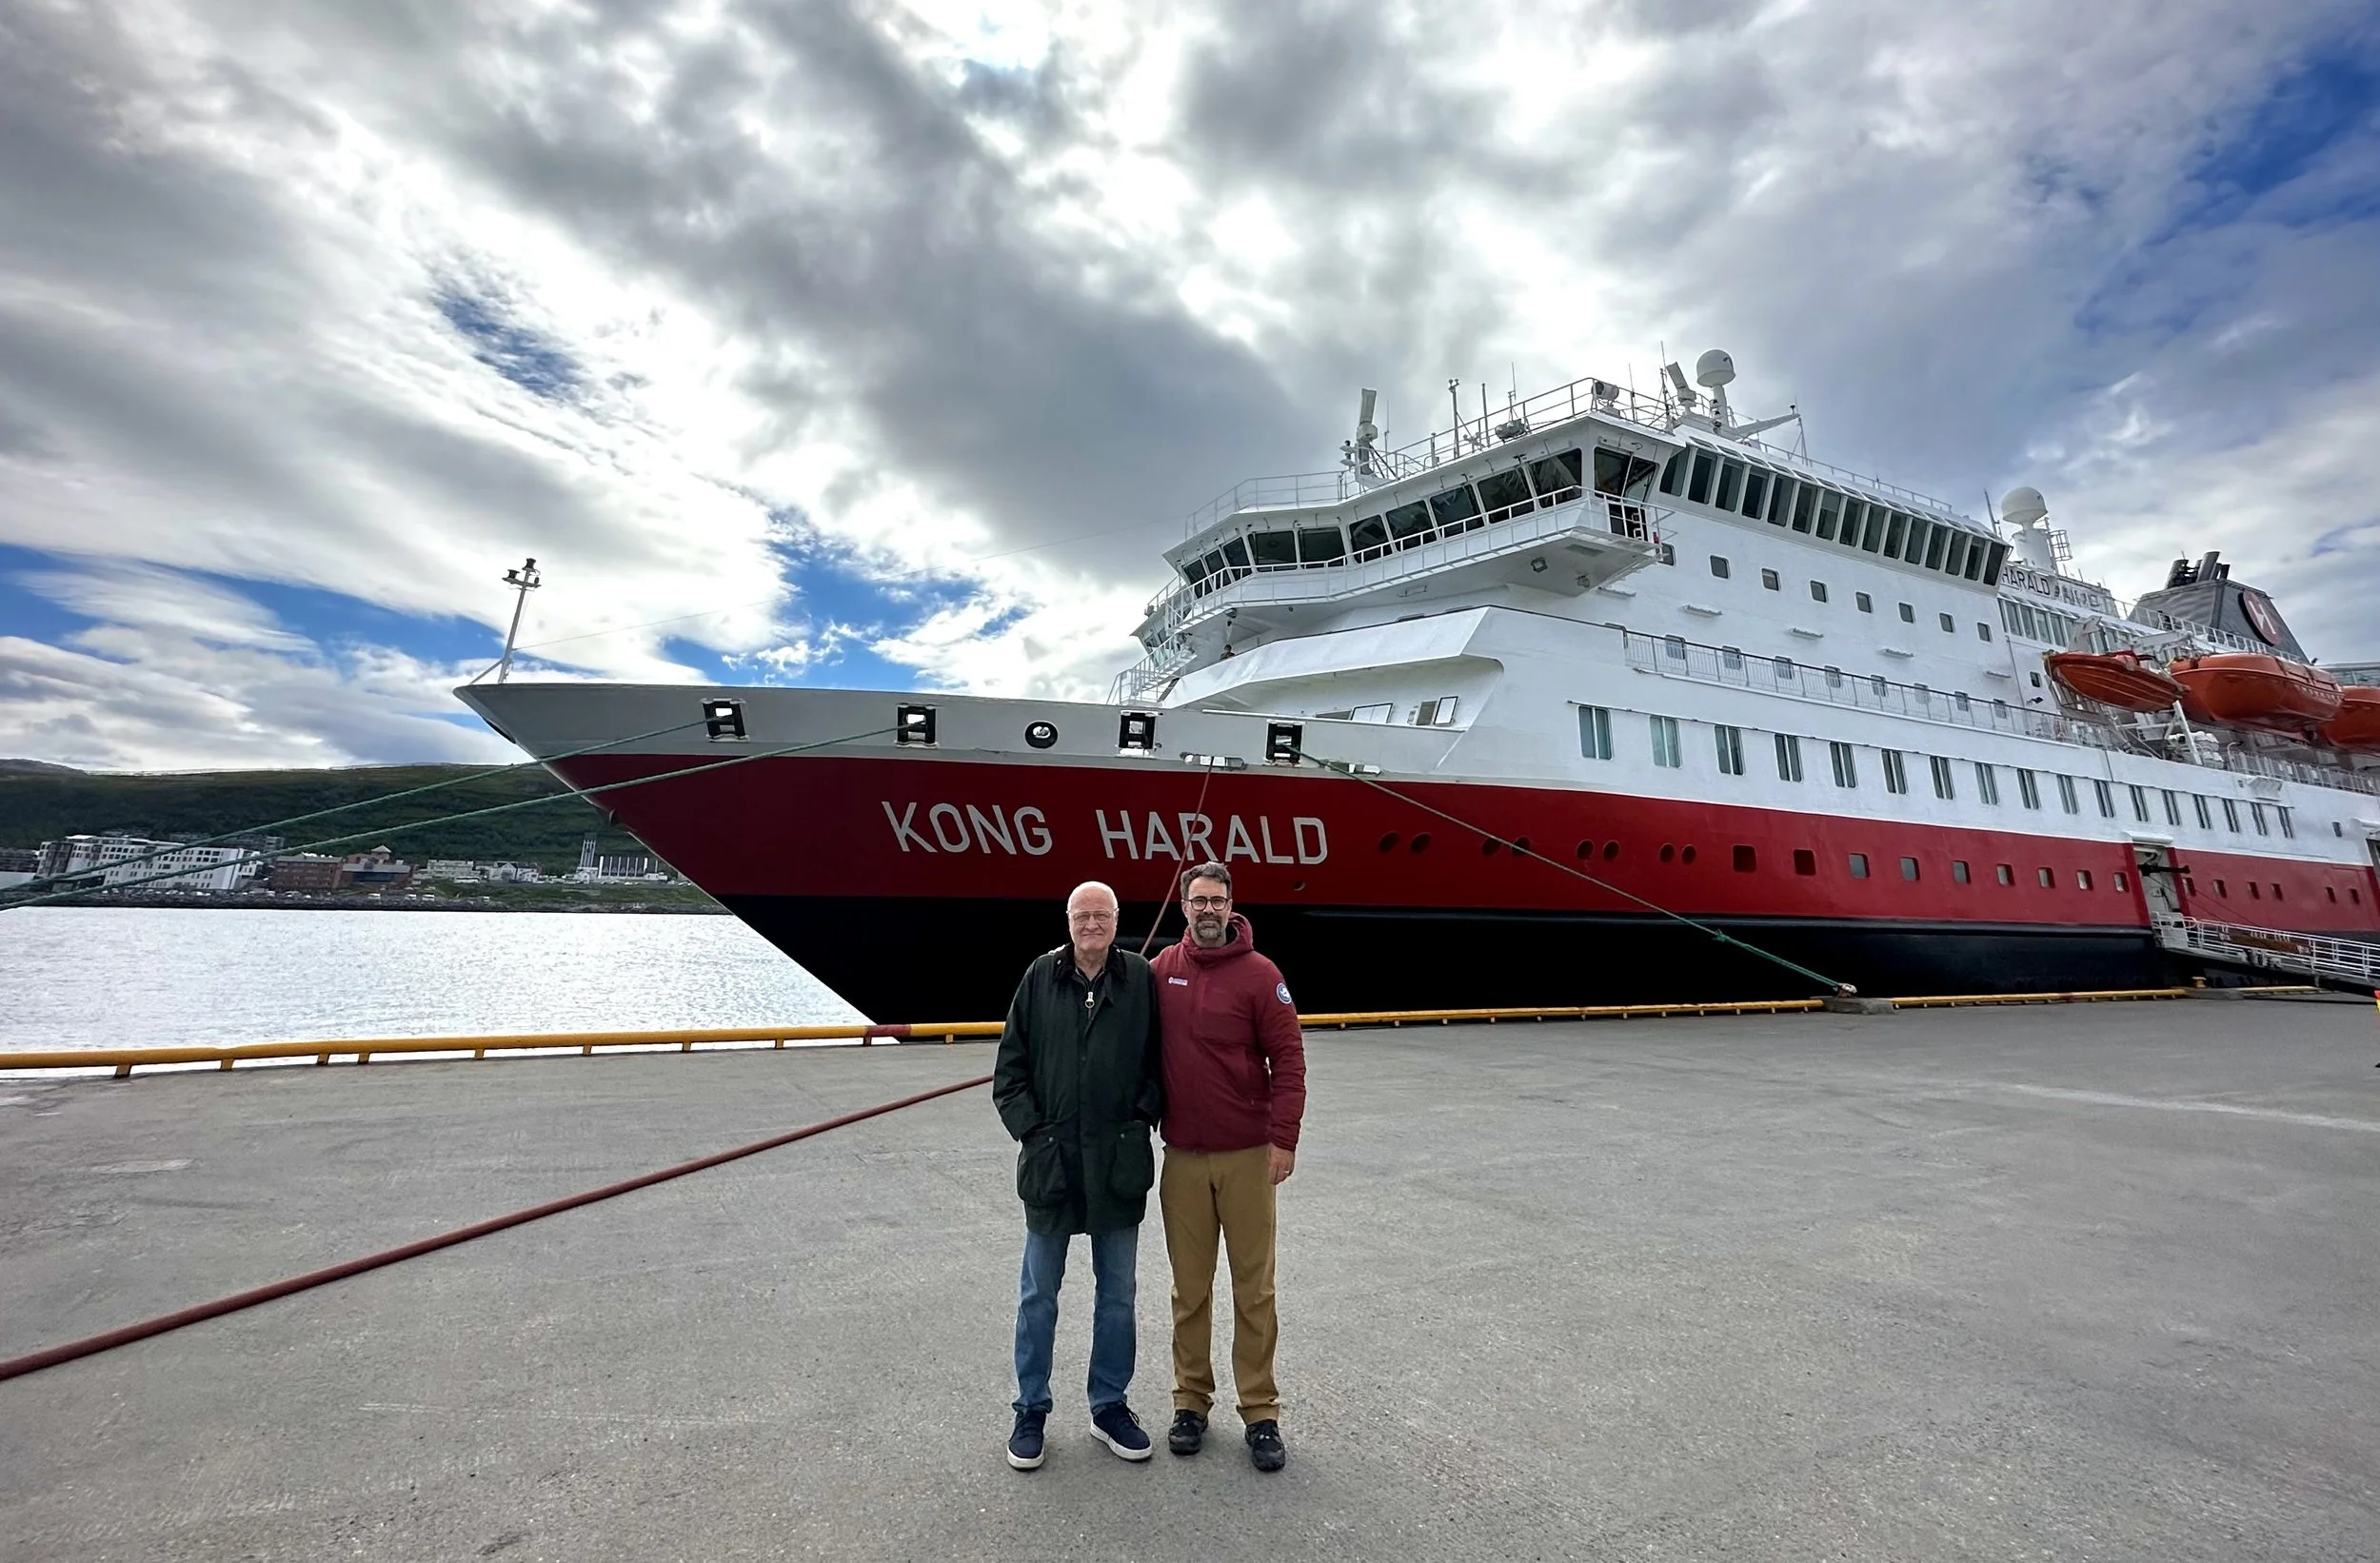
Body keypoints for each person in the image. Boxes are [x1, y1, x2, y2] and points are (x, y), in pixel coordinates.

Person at [991, 880, 1164, 1471]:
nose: (1092, 924)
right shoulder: (1039, 979)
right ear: (1067, 921)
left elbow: (1160, 1063)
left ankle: (1109, 1404)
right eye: (1082, 915)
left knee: (1118, 1295)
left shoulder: (1139, 978)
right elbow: (1009, 1072)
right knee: (1038, 1295)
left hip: (1117, 1161)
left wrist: (1140, 1119)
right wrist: (1033, 1134)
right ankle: (1030, 1409)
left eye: (1102, 915)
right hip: (1052, 1162)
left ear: (1117, 920)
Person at [1151, 861, 1307, 1474]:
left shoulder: (1262, 977)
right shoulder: (1162, 971)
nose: (1207, 910)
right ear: (1184, 907)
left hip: (1246, 1156)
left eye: (1217, 900)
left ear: (1231, 905)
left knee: (1255, 1290)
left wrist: (1283, 1139)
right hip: (1183, 1157)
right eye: (1198, 901)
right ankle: (1190, 1402)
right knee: (1189, 1291)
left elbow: (1288, 1059)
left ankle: (1260, 1411)